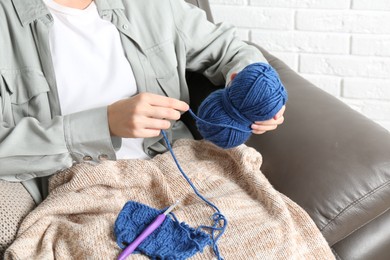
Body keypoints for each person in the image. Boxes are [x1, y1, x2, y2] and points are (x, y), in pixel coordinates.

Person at [0, 0, 285, 255]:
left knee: (278, 233)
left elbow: (229, 48)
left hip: (178, 167)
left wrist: (250, 87)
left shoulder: (154, 5)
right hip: (83, 187)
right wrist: (105, 124)